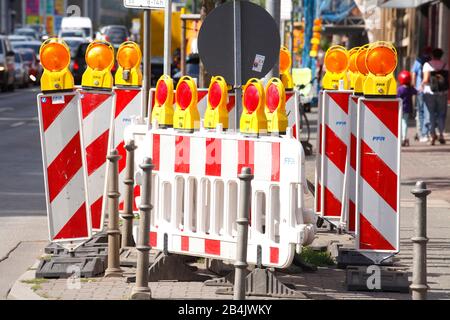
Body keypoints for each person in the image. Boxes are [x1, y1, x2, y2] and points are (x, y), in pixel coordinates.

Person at [422, 48, 449, 145]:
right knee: (442, 114)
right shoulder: (445, 65)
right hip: (442, 92)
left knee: (431, 114)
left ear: (432, 55)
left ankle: (432, 135)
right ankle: (441, 134)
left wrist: (421, 86)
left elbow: (425, 80)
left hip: (430, 92)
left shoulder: (427, 65)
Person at [412, 47, 432, 142]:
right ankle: (427, 132)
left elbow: (414, 74)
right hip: (430, 90)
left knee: (420, 111)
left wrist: (413, 86)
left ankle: (421, 133)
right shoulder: (431, 61)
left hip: (420, 89)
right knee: (428, 111)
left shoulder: (418, 61)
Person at [397, 70, 417, 147]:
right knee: (405, 123)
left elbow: (397, 97)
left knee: (401, 123)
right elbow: (416, 92)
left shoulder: (400, 89)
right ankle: (403, 137)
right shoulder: (410, 89)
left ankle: (402, 137)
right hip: (407, 109)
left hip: (400, 108)